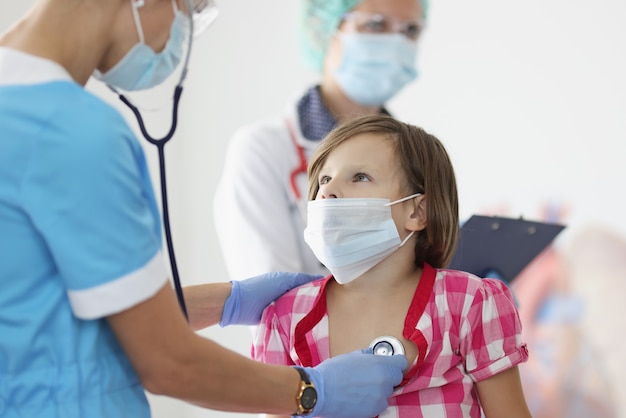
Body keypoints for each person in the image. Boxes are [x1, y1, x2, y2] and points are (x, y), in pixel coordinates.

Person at [0, 1, 408, 417]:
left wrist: (226, 301)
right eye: (192, 8)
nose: (183, 35)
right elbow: (165, 361)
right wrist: (310, 390)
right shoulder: (71, 133)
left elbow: (58, 311)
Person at [251, 114, 532, 417]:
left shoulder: (469, 303)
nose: (328, 191)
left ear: (418, 211)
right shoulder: (285, 315)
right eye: (324, 179)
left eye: (359, 177)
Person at [214, 0, 427, 280]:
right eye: (375, 24)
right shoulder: (263, 149)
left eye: (410, 30)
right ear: (321, 30)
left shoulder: (415, 154)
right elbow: (270, 300)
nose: (396, 44)